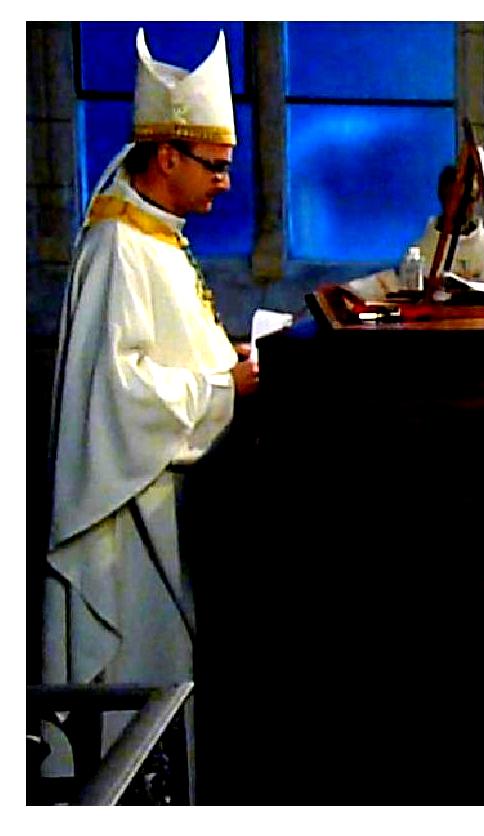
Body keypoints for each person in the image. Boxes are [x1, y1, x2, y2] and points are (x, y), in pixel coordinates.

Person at [41, 28, 257, 771]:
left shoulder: (155, 236)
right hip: (128, 519)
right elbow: (118, 396)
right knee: (142, 679)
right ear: (167, 155)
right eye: (215, 166)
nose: (225, 183)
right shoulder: (117, 248)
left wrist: (220, 360)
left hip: (173, 499)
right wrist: (224, 385)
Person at [411, 163, 484, 284]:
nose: (463, 208)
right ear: (442, 197)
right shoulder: (420, 253)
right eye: (456, 200)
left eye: (469, 200)